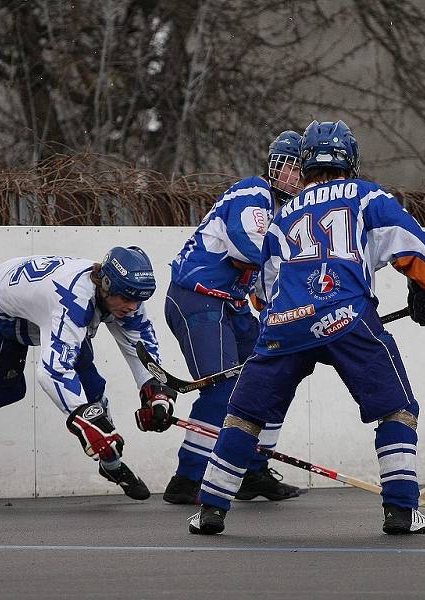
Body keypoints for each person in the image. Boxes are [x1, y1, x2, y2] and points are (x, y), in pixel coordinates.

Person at [188, 120, 425, 535]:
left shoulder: (282, 215)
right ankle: (402, 510)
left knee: (242, 417)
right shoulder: (367, 195)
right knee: (396, 408)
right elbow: (410, 246)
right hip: (348, 317)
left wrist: (285, 325)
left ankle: (210, 510)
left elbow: (263, 292)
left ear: (306, 163)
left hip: (284, 326)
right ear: (351, 160)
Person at [0, 246, 178, 500]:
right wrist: (85, 423)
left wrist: (156, 393)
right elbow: (52, 372)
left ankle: (111, 466)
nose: (133, 307)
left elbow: (141, 347)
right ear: (107, 284)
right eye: (126, 298)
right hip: (5, 312)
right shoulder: (74, 305)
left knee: (92, 391)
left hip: (45, 298)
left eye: (139, 299)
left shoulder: (125, 295)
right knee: (2, 393)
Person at [162, 131, 305, 504]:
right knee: (222, 387)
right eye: (290, 167)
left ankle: (250, 471)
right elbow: (248, 244)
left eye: (301, 170)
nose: (295, 177)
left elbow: (263, 285)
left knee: (264, 380)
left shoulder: (283, 215)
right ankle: (187, 478)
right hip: (198, 299)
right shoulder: (253, 193)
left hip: (231, 305)